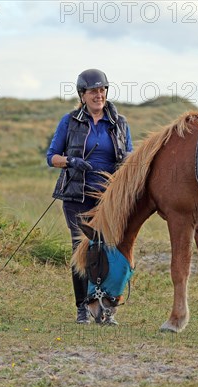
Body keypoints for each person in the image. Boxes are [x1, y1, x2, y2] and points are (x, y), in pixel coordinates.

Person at [46, 69, 133, 324]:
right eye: (93, 91)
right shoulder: (70, 121)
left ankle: (105, 310)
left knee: (108, 250)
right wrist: (71, 161)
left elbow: (129, 156)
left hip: (108, 198)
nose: (99, 95)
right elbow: (51, 157)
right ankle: (82, 308)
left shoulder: (119, 123)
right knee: (81, 249)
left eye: (102, 89)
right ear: (82, 95)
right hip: (76, 195)